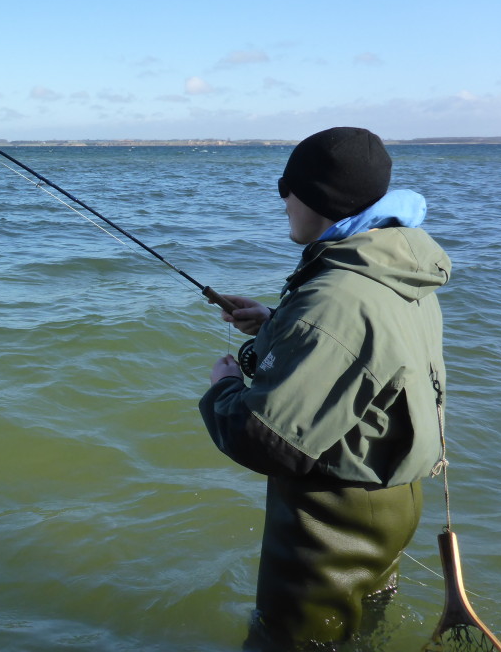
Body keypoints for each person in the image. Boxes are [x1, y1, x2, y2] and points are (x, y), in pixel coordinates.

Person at [199, 127, 451, 648]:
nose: (283, 201)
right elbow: (369, 355)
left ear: (318, 197)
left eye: (287, 189)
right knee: (360, 630)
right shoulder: (392, 265)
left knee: (290, 641)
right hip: (394, 497)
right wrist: (277, 323)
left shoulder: (334, 299)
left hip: (334, 516)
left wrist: (223, 387)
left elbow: (264, 439)